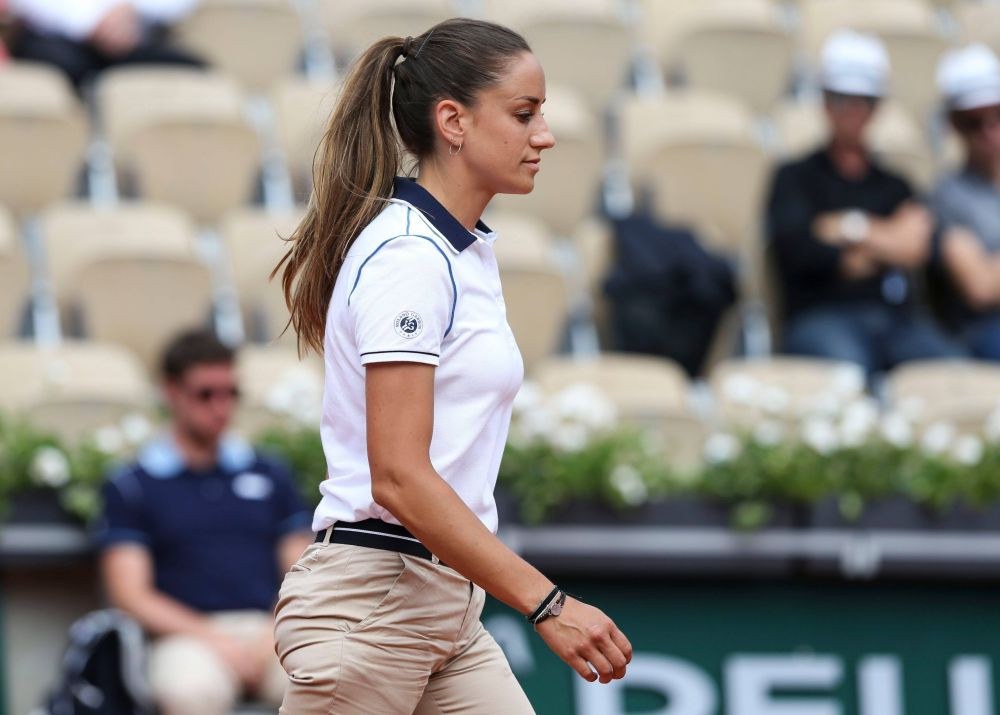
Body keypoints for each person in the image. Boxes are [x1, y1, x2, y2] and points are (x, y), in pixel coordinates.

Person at [272, 17, 632, 714]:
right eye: (524, 114)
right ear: (452, 121)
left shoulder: (459, 249)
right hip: (372, 603)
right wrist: (548, 601)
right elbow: (400, 476)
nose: (545, 135)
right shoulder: (410, 257)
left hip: (443, 608)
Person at [95, 329, 313, 715]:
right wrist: (213, 639)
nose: (221, 406)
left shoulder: (270, 472)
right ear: (171, 392)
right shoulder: (132, 483)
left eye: (230, 393)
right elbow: (130, 595)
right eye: (205, 393)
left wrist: (271, 632)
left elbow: (302, 571)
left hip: (271, 626)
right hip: (183, 636)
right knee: (188, 692)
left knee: (331, 679)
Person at [766, 30, 964, 376]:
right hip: (821, 317)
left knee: (952, 375)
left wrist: (846, 228)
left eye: (866, 100)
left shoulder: (895, 183)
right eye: (844, 99)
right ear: (825, 101)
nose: (855, 111)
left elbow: (917, 249)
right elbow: (798, 252)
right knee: (851, 375)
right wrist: (886, 240)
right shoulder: (793, 177)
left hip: (896, 321)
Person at [930, 44, 1000, 360]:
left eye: (998, 115)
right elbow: (980, 287)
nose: (990, 132)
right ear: (955, 125)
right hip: (985, 332)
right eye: (975, 121)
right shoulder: (947, 195)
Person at [9, 0, 203, 91]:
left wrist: (133, 8)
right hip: (54, 42)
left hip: (135, 40)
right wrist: (90, 22)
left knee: (191, 74)